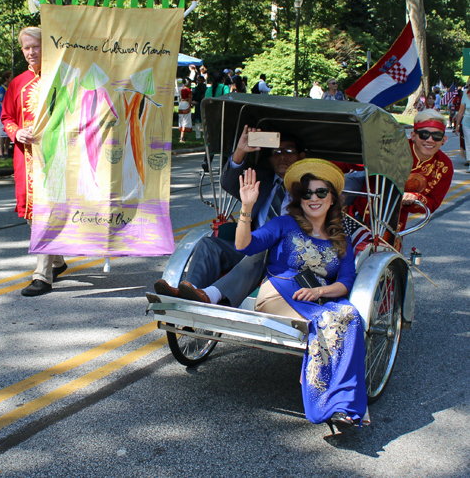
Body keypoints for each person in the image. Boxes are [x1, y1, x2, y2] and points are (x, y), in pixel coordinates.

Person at [235, 159, 367, 429]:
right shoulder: (284, 224)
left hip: (318, 298)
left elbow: (345, 281)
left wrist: (320, 290)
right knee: (329, 322)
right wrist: (246, 207)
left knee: (351, 316)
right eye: (306, 193)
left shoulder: (341, 238)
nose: (313, 198)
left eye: (321, 192)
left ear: (332, 199)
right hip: (281, 293)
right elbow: (244, 245)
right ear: (299, 199)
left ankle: (343, 406)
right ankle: (323, 402)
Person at [154, 126, 306, 307]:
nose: (282, 155)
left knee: (259, 250)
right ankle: (192, 290)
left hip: (286, 254)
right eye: (277, 151)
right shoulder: (260, 180)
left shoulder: (309, 190)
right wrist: (240, 151)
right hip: (250, 243)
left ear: (301, 157)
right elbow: (228, 182)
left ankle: (210, 295)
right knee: (209, 244)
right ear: (271, 158)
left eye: (289, 151)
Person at [1, 26, 67, 296]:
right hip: (25, 159)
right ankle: (58, 261)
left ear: (46, 46)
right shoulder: (17, 83)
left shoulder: (61, 79)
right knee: (33, 214)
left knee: (46, 212)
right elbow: (7, 118)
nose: (30, 52)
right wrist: (17, 132)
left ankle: (43, 275)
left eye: (35, 46)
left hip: (56, 157)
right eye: (26, 48)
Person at [350, 109, 453, 232]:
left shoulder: (444, 166)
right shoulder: (392, 149)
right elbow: (352, 161)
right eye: (424, 134)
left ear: (444, 140)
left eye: (437, 136)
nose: (430, 140)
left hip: (395, 223)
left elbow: (433, 203)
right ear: (413, 136)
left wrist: (416, 198)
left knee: (388, 250)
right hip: (360, 211)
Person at [0, 70, 13, 159]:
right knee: (2, 135)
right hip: (3, 115)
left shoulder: (10, 87)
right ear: (6, 78)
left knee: (8, 134)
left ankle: (7, 151)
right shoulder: (2, 89)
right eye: (10, 77)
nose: (12, 78)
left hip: (10, 115)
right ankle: (0, 152)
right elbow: (1, 101)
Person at [455, 82, 470, 171]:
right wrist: (457, 125)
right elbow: (461, 112)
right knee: (468, 144)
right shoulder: (465, 97)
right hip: (466, 123)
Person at [178, 77, 193, 143]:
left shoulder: (181, 89)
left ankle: (182, 135)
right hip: (186, 104)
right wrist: (190, 105)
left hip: (181, 104)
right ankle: (182, 137)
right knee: (185, 120)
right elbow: (190, 99)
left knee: (181, 120)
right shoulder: (188, 90)